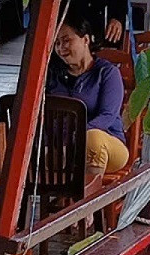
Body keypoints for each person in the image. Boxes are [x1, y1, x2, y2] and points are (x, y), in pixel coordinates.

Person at [49, 12, 130, 183]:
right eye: (56, 43)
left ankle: (88, 207)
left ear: (85, 40)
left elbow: (107, 116)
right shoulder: (54, 77)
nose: (60, 47)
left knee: (93, 138)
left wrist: (77, 136)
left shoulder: (107, 73)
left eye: (66, 40)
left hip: (108, 144)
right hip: (65, 148)